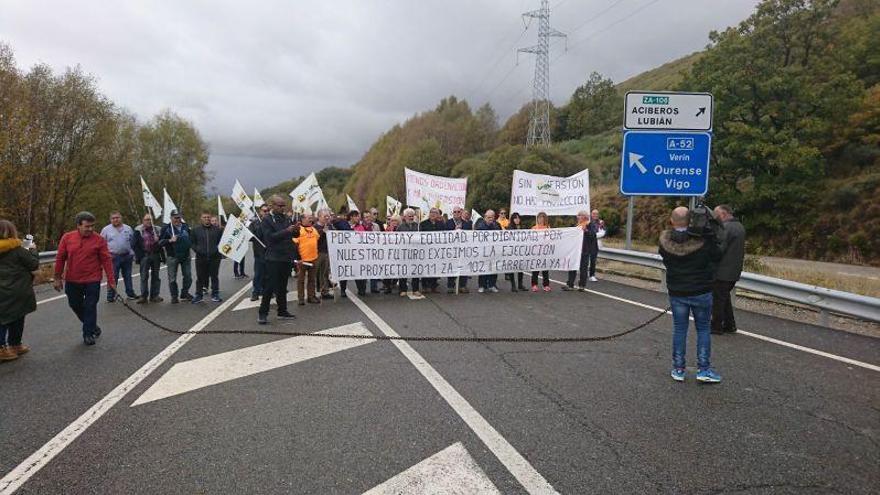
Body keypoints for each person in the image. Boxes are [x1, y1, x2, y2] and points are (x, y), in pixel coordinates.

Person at [658, 206, 723, 383]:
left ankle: (678, 368)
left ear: (672, 221)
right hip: (701, 291)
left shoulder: (665, 241)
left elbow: (666, 260)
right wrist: (710, 234)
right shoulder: (704, 240)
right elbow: (717, 256)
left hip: (677, 291)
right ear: (690, 221)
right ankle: (703, 369)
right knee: (703, 329)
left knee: (680, 329)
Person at [54, 211, 115, 345]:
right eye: (87, 226)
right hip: (72, 279)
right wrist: (57, 278)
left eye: (92, 226)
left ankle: (88, 333)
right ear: (78, 226)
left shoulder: (99, 239)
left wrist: (111, 280)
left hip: (92, 279)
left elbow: (106, 260)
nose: (90, 229)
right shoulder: (67, 238)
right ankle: (92, 326)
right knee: (74, 304)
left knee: (90, 306)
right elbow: (60, 258)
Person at [0, 220, 39, 361]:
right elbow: (33, 264)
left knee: (4, 317)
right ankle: (11, 345)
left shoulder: (19, 248)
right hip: (17, 289)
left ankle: (8, 346)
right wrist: (32, 249)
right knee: (17, 316)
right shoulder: (19, 249)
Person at [258, 195, 300, 324]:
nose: (282, 208)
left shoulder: (286, 218)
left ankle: (282, 310)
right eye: (280, 206)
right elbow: (269, 238)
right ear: (272, 206)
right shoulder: (267, 220)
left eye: (283, 206)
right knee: (270, 286)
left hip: (286, 257)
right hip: (273, 258)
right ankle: (262, 313)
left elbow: (292, 235)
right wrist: (287, 231)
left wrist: (296, 230)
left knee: (283, 286)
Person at [712, 204, 745, 334]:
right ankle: (730, 324)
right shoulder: (739, 226)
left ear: (723, 214)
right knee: (724, 298)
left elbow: (719, 248)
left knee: (718, 300)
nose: (715, 218)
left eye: (716, 215)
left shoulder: (726, 228)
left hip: (722, 271)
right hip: (734, 270)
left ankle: (716, 326)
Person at [100, 211, 137, 302]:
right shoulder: (106, 230)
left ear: (121, 218)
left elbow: (133, 242)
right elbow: (101, 244)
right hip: (113, 257)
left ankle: (130, 293)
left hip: (127, 256)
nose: (115, 220)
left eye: (117, 217)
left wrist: (133, 253)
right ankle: (110, 296)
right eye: (113, 218)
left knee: (128, 276)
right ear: (110, 219)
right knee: (113, 277)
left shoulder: (128, 228)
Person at [564, 209, 605, 291]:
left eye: (579, 215)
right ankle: (570, 284)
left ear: (585, 217)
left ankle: (582, 285)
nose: (578, 217)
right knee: (572, 267)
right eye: (578, 215)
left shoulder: (590, 224)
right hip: (575, 250)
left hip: (585, 250)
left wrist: (585, 230)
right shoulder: (577, 225)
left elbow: (593, 235)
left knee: (583, 268)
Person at [158, 210, 193, 304]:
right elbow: (160, 242)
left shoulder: (185, 227)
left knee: (188, 276)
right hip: (172, 256)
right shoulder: (166, 228)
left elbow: (191, 238)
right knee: (172, 278)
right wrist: (169, 240)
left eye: (179, 217)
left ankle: (185, 293)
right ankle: (174, 296)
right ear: (171, 218)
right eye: (175, 217)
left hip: (185, 256)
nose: (177, 219)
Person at [191, 211, 223, 303]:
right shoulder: (195, 230)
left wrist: (217, 250)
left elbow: (221, 242)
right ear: (201, 219)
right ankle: (198, 295)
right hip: (201, 257)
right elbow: (192, 243)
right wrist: (198, 250)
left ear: (210, 218)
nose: (206, 219)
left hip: (214, 257)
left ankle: (215, 294)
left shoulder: (217, 230)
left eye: (208, 217)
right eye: (204, 217)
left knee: (214, 276)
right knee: (200, 277)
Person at [132, 213, 164, 303]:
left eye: (150, 219)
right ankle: (143, 296)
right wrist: (139, 256)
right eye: (147, 219)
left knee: (156, 276)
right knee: (144, 276)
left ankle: (155, 295)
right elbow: (134, 244)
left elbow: (163, 242)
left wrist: (159, 240)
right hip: (144, 256)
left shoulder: (157, 230)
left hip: (155, 255)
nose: (149, 221)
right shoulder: (138, 230)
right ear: (143, 221)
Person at [295, 212, 321, 305]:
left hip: (314, 258)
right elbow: (295, 244)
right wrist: (298, 258)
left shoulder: (313, 229)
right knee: (301, 280)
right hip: (302, 260)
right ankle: (301, 299)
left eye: (311, 218)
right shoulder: (298, 230)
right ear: (302, 219)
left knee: (312, 279)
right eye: (309, 218)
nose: (311, 219)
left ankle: (311, 296)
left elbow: (317, 238)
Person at [354, 210, 382, 295]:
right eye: (366, 217)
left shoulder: (376, 226)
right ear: (363, 218)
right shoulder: (358, 227)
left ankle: (374, 287)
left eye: (369, 216)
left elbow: (380, 237)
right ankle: (362, 289)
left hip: (373, 250)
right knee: (363, 270)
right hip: (362, 252)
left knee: (373, 269)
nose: (368, 218)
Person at [419, 207, 447, 293]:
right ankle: (424, 286)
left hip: (436, 251)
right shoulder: (423, 224)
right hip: (426, 250)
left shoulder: (441, 224)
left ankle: (433, 286)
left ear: (438, 214)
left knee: (435, 268)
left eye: (435, 213)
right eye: (432, 212)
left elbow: (444, 235)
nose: (433, 214)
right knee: (426, 268)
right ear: (429, 213)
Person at [445, 206, 472, 293]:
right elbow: (444, 235)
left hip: (463, 249)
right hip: (452, 249)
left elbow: (470, 236)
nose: (456, 213)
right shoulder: (448, 223)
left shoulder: (467, 223)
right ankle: (450, 285)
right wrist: (454, 230)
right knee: (452, 267)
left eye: (458, 212)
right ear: (452, 213)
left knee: (463, 267)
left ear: (461, 213)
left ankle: (462, 285)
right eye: (455, 212)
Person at [327, 211, 353, 298]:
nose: (330, 217)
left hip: (341, 250)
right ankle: (326, 288)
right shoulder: (324, 225)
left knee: (343, 270)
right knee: (327, 271)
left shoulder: (340, 223)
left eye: (331, 215)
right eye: (328, 216)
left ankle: (342, 289)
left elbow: (347, 231)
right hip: (328, 251)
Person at [397, 208, 422, 297]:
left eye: (412, 216)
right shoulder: (400, 227)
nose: (411, 218)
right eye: (409, 216)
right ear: (404, 217)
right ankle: (402, 289)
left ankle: (415, 289)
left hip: (415, 253)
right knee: (403, 271)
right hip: (404, 253)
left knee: (415, 271)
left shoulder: (418, 226)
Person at [475, 209, 501, 293]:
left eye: (492, 217)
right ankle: (482, 285)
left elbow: (501, 235)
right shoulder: (480, 224)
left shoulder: (497, 225)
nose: (490, 219)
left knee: (493, 269)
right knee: (483, 268)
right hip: (484, 251)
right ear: (485, 217)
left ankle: (492, 285)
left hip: (494, 251)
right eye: (489, 217)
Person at [249, 206, 269, 301]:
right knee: (258, 274)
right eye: (264, 211)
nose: (266, 212)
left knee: (268, 274)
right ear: (260, 212)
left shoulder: (271, 222)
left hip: (270, 252)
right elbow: (251, 237)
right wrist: (260, 227)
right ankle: (255, 292)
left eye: (268, 211)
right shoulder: (254, 223)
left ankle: (266, 291)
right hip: (259, 253)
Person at [315, 208, 334, 300]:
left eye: (328, 216)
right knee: (315, 273)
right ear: (319, 217)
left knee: (325, 273)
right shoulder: (315, 227)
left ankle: (325, 291)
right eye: (325, 216)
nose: (327, 218)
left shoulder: (330, 226)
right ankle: (313, 292)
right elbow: (314, 239)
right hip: (318, 252)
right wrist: (323, 232)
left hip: (327, 252)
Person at [530, 211, 552, 292]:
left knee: (545, 270)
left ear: (545, 219)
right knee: (535, 270)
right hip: (536, 252)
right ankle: (534, 284)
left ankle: (546, 285)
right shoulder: (534, 228)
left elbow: (550, 239)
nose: (541, 219)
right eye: (539, 217)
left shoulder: (548, 228)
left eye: (542, 217)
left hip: (545, 251)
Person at [506, 212, 526, 292]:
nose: (517, 220)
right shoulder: (509, 228)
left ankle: (520, 285)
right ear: (512, 219)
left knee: (520, 268)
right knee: (512, 268)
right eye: (515, 218)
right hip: (512, 251)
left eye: (518, 218)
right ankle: (513, 285)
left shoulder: (522, 227)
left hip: (520, 251)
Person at [381, 215, 401, 294]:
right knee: (388, 270)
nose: (394, 222)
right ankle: (387, 286)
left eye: (396, 221)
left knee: (398, 270)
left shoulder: (401, 229)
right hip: (389, 253)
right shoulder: (388, 230)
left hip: (399, 253)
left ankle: (395, 283)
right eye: (393, 221)